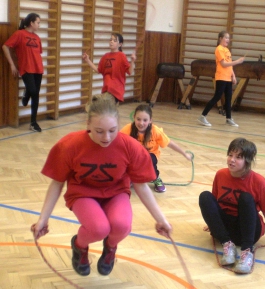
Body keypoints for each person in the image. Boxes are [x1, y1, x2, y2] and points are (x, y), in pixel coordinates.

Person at [31, 95, 172, 277]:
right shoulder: (69, 146)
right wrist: (43, 219)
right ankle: (79, 246)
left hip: (115, 193)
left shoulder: (130, 147)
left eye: (112, 130)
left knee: (121, 226)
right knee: (99, 228)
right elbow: (57, 183)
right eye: (99, 131)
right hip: (83, 193)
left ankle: (110, 248)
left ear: (119, 125)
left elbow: (142, 187)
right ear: (88, 125)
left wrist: (161, 219)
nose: (106, 137)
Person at [199, 138, 265, 274]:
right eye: (230, 155)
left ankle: (247, 251)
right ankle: (227, 245)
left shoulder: (258, 181)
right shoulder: (220, 174)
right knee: (205, 196)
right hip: (227, 231)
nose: (232, 159)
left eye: (238, 157)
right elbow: (214, 203)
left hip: (248, 230)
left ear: (248, 161)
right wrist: (213, 223)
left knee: (246, 198)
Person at [121, 104, 193, 193]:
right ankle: (131, 177)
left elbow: (169, 143)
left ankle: (156, 178)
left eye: (145, 120)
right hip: (134, 156)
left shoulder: (155, 131)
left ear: (150, 120)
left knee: (149, 159)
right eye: (138, 119)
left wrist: (184, 153)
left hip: (150, 156)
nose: (141, 123)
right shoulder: (127, 129)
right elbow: (116, 142)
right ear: (134, 117)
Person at [2, 13, 43, 132]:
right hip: (26, 68)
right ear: (31, 23)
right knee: (32, 90)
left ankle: (33, 123)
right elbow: (5, 46)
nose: (39, 25)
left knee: (35, 95)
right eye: (38, 22)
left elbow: (37, 53)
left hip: (38, 68)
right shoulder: (19, 34)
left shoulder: (37, 37)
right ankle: (27, 93)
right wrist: (12, 64)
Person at [197, 31, 245, 128]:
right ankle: (203, 116)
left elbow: (229, 65)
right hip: (221, 77)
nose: (228, 40)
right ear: (220, 38)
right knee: (217, 97)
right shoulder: (219, 49)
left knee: (228, 98)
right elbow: (223, 64)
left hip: (228, 78)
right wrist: (238, 62)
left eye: (228, 38)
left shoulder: (227, 50)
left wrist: (233, 75)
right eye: (226, 38)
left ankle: (228, 118)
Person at [82, 32, 136, 103]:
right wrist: (87, 60)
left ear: (120, 44)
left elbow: (129, 71)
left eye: (114, 40)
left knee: (102, 105)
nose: (111, 41)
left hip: (116, 91)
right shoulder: (105, 56)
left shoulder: (121, 56)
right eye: (110, 39)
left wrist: (132, 61)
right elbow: (98, 70)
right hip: (106, 89)